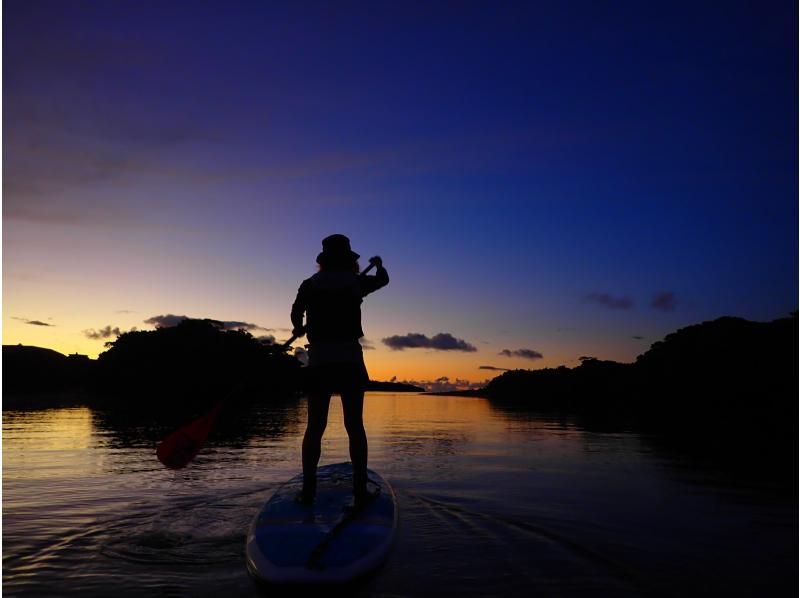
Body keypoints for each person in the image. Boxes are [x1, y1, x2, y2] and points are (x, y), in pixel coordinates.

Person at [290, 234, 389, 506]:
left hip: (320, 360)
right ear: (349, 260)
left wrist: (298, 326)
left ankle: (308, 491)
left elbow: (296, 312)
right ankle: (359, 491)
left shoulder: (310, 284)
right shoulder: (355, 283)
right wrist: (379, 264)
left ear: (323, 261)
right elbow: (383, 280)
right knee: (354, 425)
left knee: (315, 427)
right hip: (349, 360)